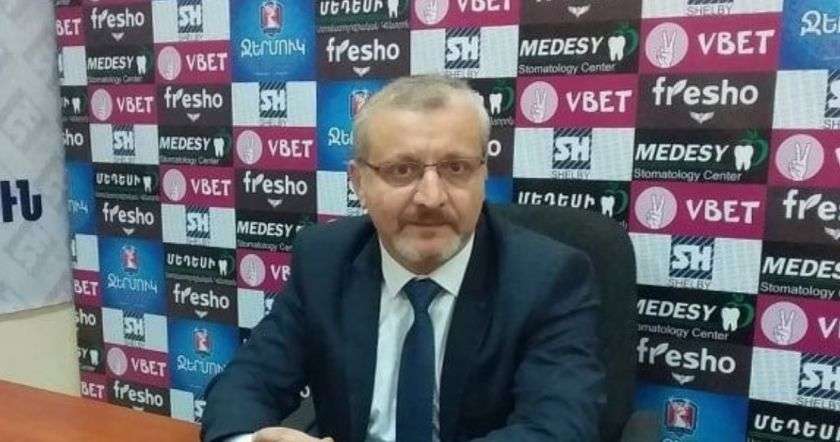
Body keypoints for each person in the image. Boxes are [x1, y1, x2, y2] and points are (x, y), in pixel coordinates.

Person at [201, 75, 604, 442]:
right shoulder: (323, 260)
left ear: (483, 175)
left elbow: (557, 429)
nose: (431, 197)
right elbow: (247, 382)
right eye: (402, 170)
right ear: (359, 182)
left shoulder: (548, 278)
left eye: (456, 167)